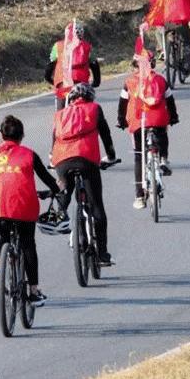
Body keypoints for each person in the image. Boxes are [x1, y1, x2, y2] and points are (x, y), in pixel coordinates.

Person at [0, 116, 62, 305]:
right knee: (28, 245)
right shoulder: (29, 154)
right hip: (23, 206)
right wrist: (56, 190)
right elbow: (47, 178)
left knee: (5, 236)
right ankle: (33, 291)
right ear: (22, 135)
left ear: (1, 135)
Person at [52, 83, 118, 265]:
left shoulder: (59, 115)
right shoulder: (95, 109)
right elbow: (106, 135)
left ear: (70, 100)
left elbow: (54, 141)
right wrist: (111, 156)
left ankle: (60, 217)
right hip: (87, 160)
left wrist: (53, 161)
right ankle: (103, 254)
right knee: (97, 206)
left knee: (65, 187)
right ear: (90, 98)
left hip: (62, 161)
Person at [118, 51, 177, 209]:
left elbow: (122, 104)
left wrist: (121, 120)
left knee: (139, 156)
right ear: (152, 64)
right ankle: (163, 159)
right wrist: (174, 117)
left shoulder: (129, 82)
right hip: (158, 119)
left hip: (138, 122)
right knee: (163, 132)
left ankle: (139, 196)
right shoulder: (160, 80)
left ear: (135, 64)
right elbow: (170, 101)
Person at [44, 22, 101, 110]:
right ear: (81, 34)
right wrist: (96, 82)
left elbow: (50, 65)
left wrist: (49, 79)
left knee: (60, 113)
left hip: (63, 83)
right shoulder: (87, 47)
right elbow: (94, 65)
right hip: (81, 84)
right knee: (87, 108)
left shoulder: (57, 46)